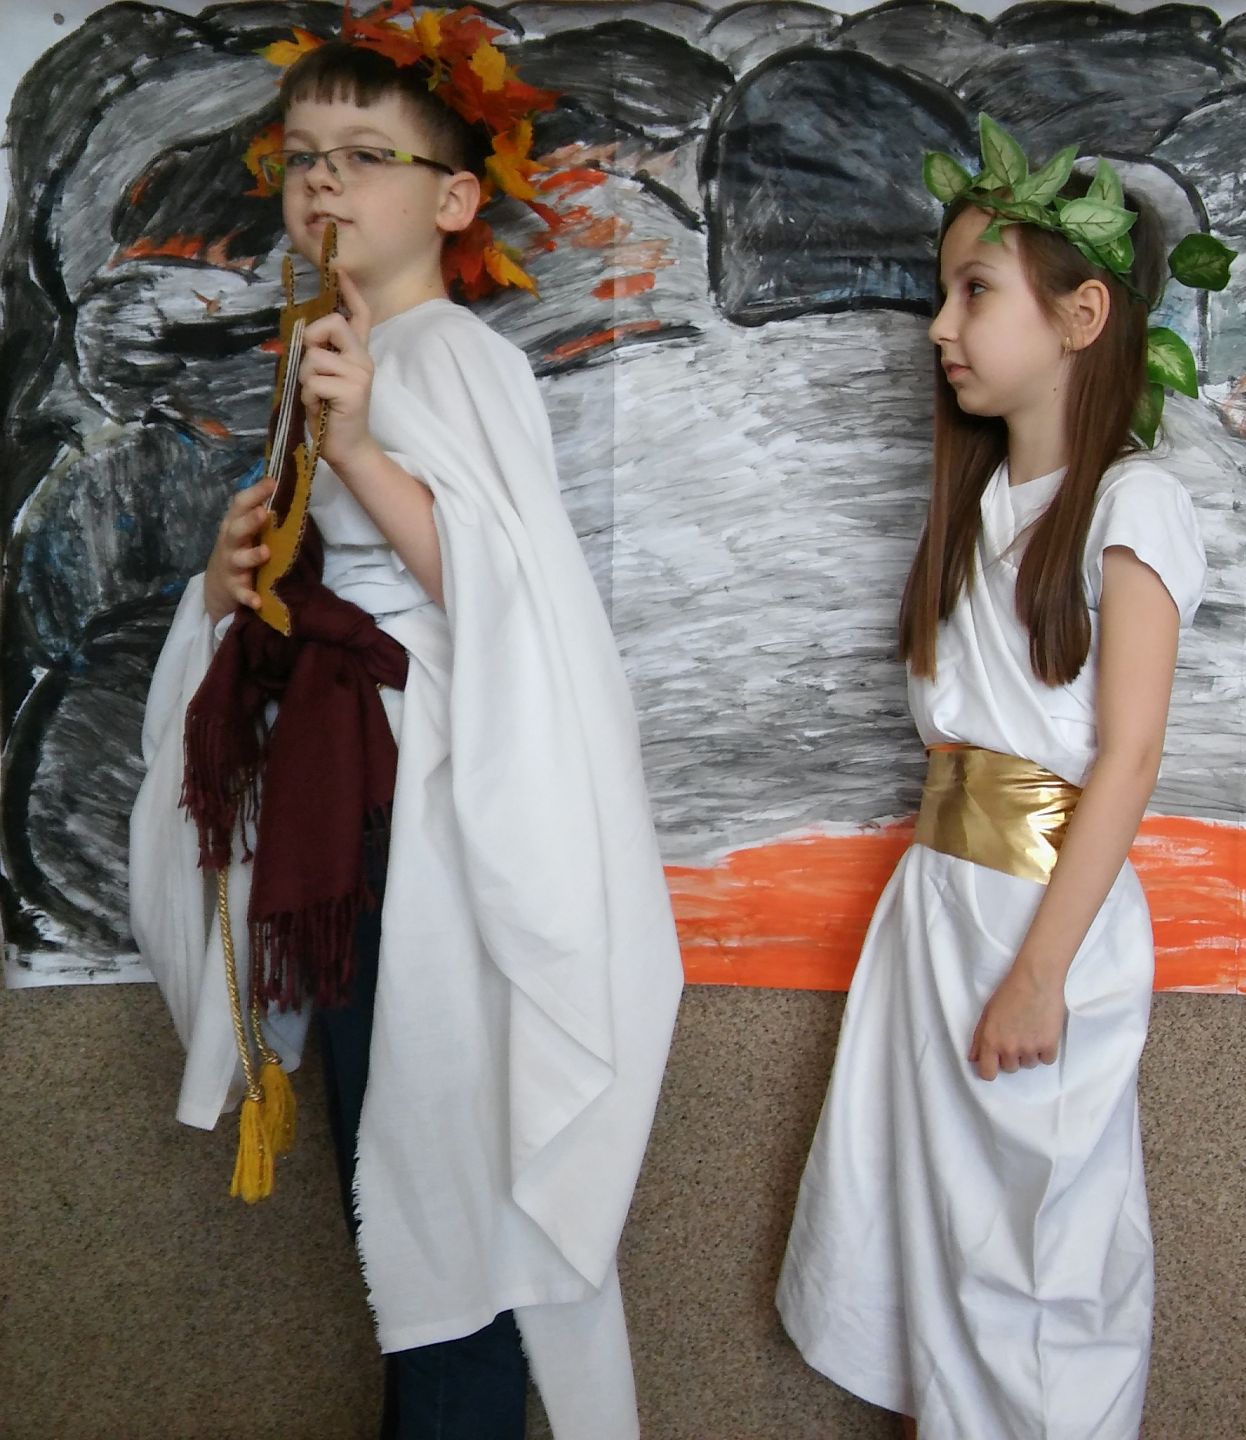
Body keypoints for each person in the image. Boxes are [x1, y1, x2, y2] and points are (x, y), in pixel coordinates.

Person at [127, 15, 683, 1440]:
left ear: (452, 199)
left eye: (367, 155)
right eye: (304, 156)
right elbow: (322, 581)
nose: (325, 181)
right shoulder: (328, 356)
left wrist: (363, 448)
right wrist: (230, 583)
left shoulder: (459, 359)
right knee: (396, 1176)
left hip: (429, 827)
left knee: (440, 1181)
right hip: (353, 817)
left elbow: (504, 596)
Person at [775, 117, 1228, 1439]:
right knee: (941, 1247)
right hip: (940, 913)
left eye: (974, 291)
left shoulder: (1133, 504)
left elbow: (1128, 757)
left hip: (1043, 923)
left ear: (1084, 315)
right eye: (944, 293)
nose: (940, 326)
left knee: (1034, 1266)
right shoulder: (981, 514)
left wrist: (1039, 972)